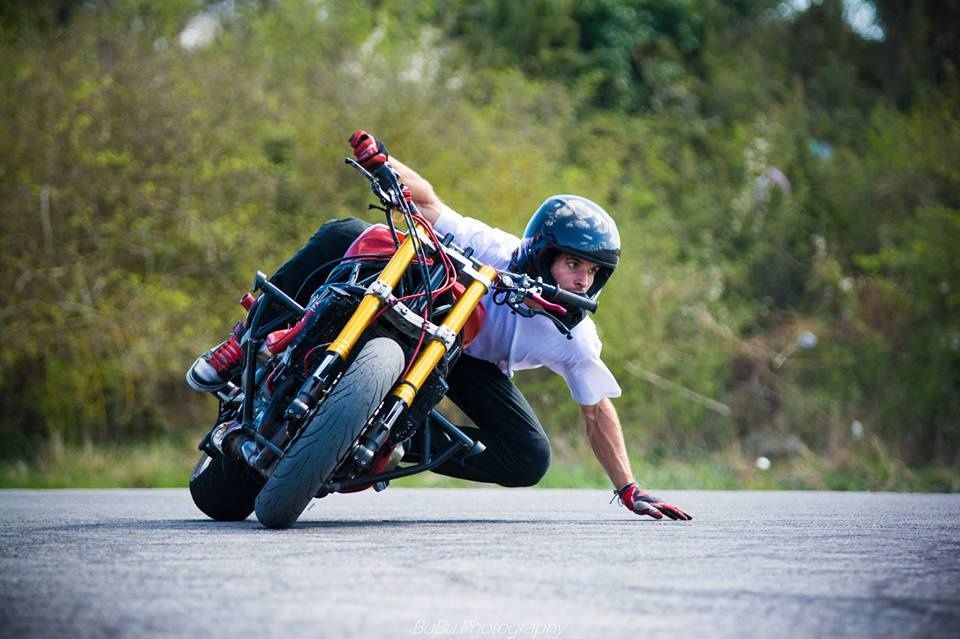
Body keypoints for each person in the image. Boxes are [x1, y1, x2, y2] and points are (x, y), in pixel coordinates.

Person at [186, 131, 692, 521]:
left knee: (530, 458)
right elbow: (427, 202)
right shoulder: (493, 246)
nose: (583, 280)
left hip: (463, 362)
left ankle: (387, 438)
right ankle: (244, 339)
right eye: (574, 265)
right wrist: (383, 163)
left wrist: (628, 488)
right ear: (542, 252)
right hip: (422, 312)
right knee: (348, 231)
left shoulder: (574, 334)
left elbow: (596, 409)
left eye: (593, 273)